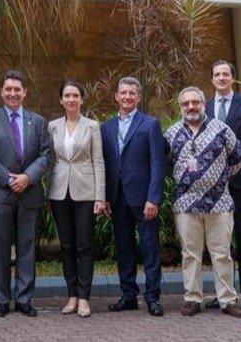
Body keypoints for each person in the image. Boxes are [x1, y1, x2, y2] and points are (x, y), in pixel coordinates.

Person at [165, 86, 241, 318]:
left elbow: (238, 158)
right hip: (185, 204)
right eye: (186, 103)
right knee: (190, 254)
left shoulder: (221, 129)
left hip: (219, 203)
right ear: (180, 107)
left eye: (195, 102)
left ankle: (227, 300)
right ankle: (192, 298)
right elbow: (166, 164)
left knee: (222, 253)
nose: (191, 107)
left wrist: (217, 180)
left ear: (203, 104)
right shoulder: (171, 133)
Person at [0, 70, 50, 318]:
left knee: (27, 248)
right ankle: (1, 299)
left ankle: (24, 299)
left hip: (29, 193)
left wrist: (27, 177)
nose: (12, 93)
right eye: (8, 89)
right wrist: (9, 179)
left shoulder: (37, 122)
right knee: (0, 249)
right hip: (0, 194)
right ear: (1, 92)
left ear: (25, 92)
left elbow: (45, 155)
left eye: (17, 89)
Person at [100, 76, 166, 317]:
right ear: (116, 96)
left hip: (144, 198)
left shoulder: (151, 124)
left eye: (131, 93)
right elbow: (104, 165)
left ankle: (152, 297)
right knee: (124, 249)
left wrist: (154, 198)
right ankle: (128, 296)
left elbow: (158, 164)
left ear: (138, 97)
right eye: (123, 93)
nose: (127, 97)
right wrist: (105, 196)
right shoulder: (106, 128)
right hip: (117, 198)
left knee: (150, 248)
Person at [204, 60, 241, 314]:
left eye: (225, 74)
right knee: (219, 241)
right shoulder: (205, 107)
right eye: (217, 74)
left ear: (233, 78)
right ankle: (224, 293)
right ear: (212, 79)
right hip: (214, 184)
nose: (221, 78)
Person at [47, 80, 106, 318]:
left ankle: (84, 297)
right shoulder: (52, 126)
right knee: (67, 246)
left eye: (75, 95)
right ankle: (71, 295)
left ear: (82, 99)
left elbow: (98, 161)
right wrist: (47, 196)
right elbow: (50, 162)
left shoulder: (92, 126)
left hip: (86, 191)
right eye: (67, 95)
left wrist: (100, 196)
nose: (71, 99)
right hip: (59, 191)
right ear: (61, 100)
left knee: (84, 245)